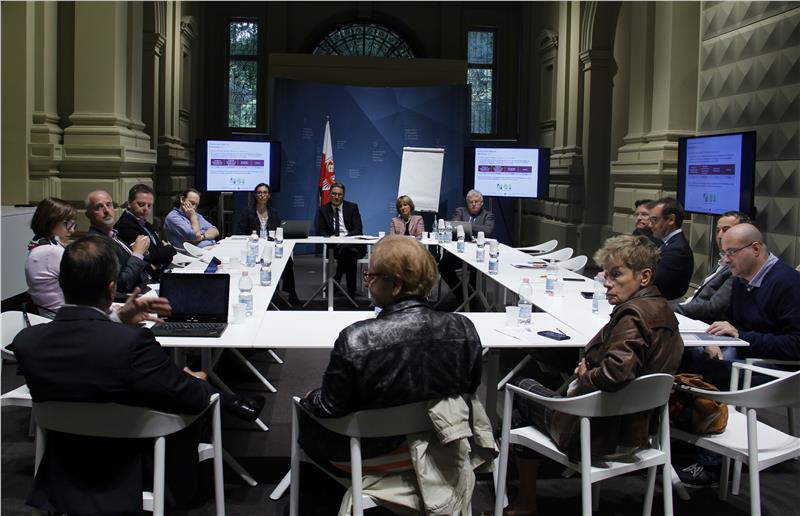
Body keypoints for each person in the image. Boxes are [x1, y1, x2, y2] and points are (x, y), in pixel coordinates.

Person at [13, 235, 216, 515]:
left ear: (61, 284)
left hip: (65, 473)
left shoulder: (27, 343)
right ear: (111, 289)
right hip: (134, 469)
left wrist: (117, 319)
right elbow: (192, 399)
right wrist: (197, 380)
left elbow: (83, 352)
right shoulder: (131, 344)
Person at [299, 235, 493, 512]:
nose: (367, 282)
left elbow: (330, 407)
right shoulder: (464, 329)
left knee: (305, 416)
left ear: (396, 284)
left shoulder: (356, 338)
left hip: (370, 454)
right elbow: (469, 389)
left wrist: (309, 399)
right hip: (442, 445)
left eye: (371, 276)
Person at [501, 234, 684, 515]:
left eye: (616, 275)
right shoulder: (665, 313)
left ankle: (524, 502)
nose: (606, 282)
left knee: (519, 387)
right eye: (606, 274)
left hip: (597, 433)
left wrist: (586, 374)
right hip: (640, 435)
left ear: (644, 276)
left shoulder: (632, 316)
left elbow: (614, 375)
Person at [678, 223, 800, 488]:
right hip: (745, 357)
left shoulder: (788, 284)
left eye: (731, 252)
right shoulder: (741, 280)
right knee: (688, 357)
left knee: (698, 371)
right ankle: (686, 444)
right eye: (724, 253)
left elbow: (796, 345)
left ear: (755, 249)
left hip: (778, 372)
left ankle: (711, 464)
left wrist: (741, 336)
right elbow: (731, 323)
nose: (726, 260)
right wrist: (715, 342)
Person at [674, 211, 750, 324]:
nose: (720, 236)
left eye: (726, 230)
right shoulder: (723, 259)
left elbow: (713, 308)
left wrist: (671, 309)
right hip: (690, 314)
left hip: (705, 323)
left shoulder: (739, 265)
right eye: (717, 230)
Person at [235, 183, 300, 303]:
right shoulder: (248, 212)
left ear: (269, 195)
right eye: (259, 192)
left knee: (287, 261)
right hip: (253, 247)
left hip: (270, 246)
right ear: (255, 195)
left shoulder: (273, 213)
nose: (262, 195)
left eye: (265, 192)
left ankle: (291, 293)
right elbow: (240, 232)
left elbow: (278, 231)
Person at [85, 190, 152, 298]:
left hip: (145, 289)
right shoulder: (94, 244)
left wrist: (138, 252)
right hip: (127, 300)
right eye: (99, 207)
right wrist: (138, 253)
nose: (106, 210)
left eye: (109, 205)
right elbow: (122, 284)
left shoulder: (114, 236)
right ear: (88, 214)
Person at [439, 189, 495, 305]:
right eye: (471, 202)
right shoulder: (460, 211)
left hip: (478, 252)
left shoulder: (488, 215)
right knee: (443, 266)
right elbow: (454, 225)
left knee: (476, 269)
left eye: (476, 202)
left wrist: (467, 226)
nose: (473, 204)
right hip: (459, 251)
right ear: (467, 202)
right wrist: (476, 227)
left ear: (481, 203)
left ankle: (473, 301)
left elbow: (488, 230)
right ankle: (463, 295)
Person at [24, 197, 77, 316]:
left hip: (54, 316)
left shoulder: (39, 247)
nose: (72, 230)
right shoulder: (51, 252)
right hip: (65, 318)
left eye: (74, 225)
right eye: (68, 224)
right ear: (51, 222)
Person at [114, 184, 177, 280]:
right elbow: (148, 258)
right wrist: (169, 249)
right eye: (141, 204)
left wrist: (158, 261)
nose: (145, 209)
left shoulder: (146, 224)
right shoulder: (125, 225)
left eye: (149, 205)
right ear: (129, 203)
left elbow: (157, 256)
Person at [316, 182, 366, 299]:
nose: (336, 197)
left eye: (339, 194)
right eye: (334, 194)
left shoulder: (352, 207)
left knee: (349, 252)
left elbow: (358, 229)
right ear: (329, 194)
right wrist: (331, 238)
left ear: (343, 195)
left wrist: (344, 239)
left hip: (353, 244)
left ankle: (337, 278)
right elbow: (321, 230)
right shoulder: (323, 209)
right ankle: (351, 294)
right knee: (350, 255)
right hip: (334, 247)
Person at [650, 197, 694, 301]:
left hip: (666, 305)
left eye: (654, 220)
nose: (650, 225)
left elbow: (653, 283)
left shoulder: (677, 250)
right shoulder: (667, 243)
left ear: (671, 220)